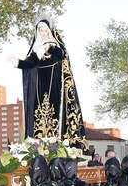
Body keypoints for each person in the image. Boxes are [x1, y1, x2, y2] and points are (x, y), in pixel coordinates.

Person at [9, 17, 87, 149]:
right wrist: (17, 62)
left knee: (55, 113)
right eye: (39, 29)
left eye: (44, 29)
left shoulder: (55, 45)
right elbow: (30, 63)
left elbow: (62, 55)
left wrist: (49, 46)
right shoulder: (36, 47)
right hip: (39, 85)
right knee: (38, 114)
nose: (42, 31)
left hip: (55, 84)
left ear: (49, 30)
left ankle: (57, 144)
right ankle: (38, 146)